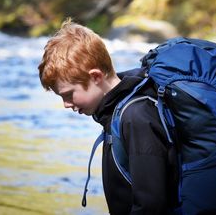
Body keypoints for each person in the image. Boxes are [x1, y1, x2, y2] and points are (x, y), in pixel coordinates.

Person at [38, 19, 177, 214]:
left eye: (69, 94)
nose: (66, 104)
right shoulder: (116, 111)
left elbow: (150, 205)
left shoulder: (136, 117)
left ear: (96, 77)